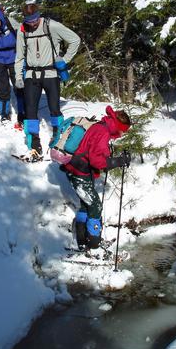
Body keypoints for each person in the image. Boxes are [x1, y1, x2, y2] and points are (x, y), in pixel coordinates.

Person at [14, 2, 81, 161]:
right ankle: (34, 145)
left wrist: (64, 60)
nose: (32, 23)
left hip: (51, 73)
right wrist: (18, 76)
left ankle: (58, 138)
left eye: (35, 19)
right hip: (31, 74)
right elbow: (19, 56)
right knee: (30, 111)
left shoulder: (52, 26)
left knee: (54, 108)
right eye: (29, 20)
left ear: (39, 16)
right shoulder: (22, 31)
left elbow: (75, 40)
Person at [63, 106, 131, 250]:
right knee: (95, 206)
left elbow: (94, 153)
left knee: (86, 204)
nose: (122, 134)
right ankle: (94, 244)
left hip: (79, 170)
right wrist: (118, 161)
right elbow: (96, 160)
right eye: (123, 131)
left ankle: (81, 240)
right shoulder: (102, 132)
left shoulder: (101, 127)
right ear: (118, 126)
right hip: (80, 173)